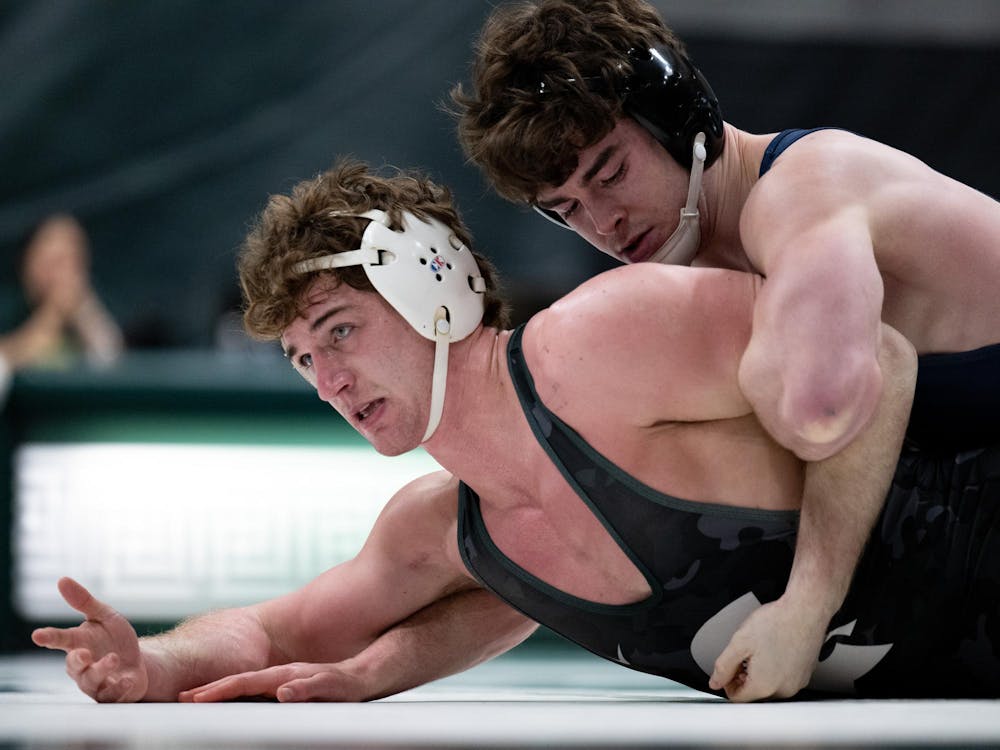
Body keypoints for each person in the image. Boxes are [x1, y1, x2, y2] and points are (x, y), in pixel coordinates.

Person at [35, 160, 998, 704]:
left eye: (339, 332)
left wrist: (809, 599)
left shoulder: (596, 342)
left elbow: (875, 355)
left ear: (433, 288)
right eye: (300, 359)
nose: (327, 379)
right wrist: (154, 661)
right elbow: (281, 627)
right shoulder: (450, 530)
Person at [450, 0, 1000, 695]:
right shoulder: (710, 277)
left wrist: (806, 608)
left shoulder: (806, 190)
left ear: (682, 115)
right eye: (566, 210)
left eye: (610, 172)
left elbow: (824, 405)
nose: (602, 222)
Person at [0, 215, 124, 403]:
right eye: (54, 261)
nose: (61, 272)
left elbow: (113, 361)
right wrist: (51, 317)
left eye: (71, 260)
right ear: (30, 260)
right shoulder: (9, 305)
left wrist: (85, 312)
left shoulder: (89, 306)